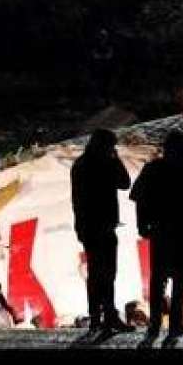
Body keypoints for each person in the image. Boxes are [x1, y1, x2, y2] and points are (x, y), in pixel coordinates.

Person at [131, 130, 183, 342]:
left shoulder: (153, 170)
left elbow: (140, 199)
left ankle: (155, 324)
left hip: (162, 232)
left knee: (159, 279)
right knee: (179, 280)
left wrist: (142, 225)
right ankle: (175, 324)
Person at [70, 128, 134, 339]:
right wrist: (116, 159)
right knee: (107, 273)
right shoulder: (106, 163)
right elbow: (125, 183)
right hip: (104, 226)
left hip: (89, 227)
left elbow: (77, 200)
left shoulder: (80, 165)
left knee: (97, 274)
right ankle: (108, 317)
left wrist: (80, 227)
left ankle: (97, 317)